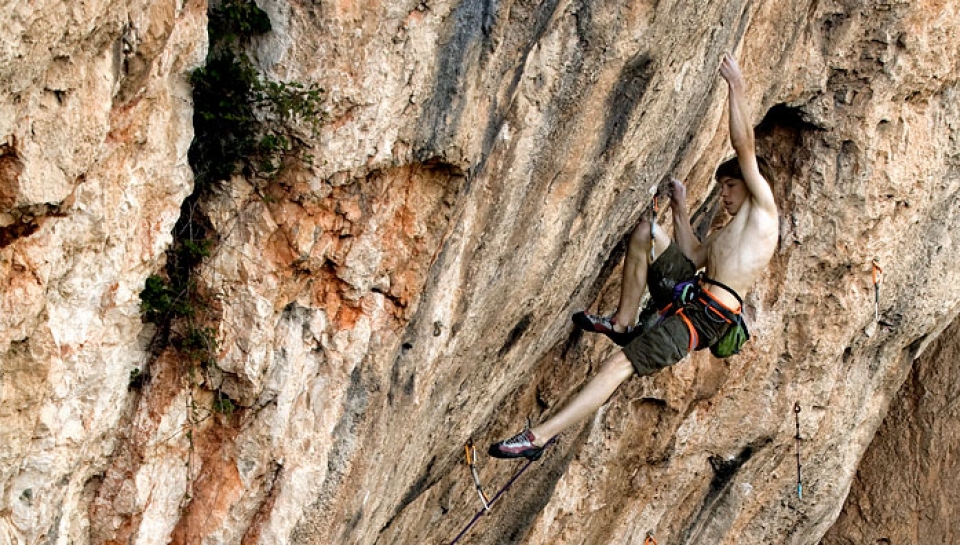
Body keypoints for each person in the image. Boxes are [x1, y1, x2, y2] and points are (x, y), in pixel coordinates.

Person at [489, 53, 779, 460]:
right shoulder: (728, 232)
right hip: (692, 294)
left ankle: (538, 437)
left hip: (702, 320)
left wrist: (737, 87)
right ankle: (623, 322)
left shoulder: (762, 212)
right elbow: (693, 254)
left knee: (617, 367)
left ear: (749, 185)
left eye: (730, 186)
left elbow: (743, 146)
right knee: (647, 232)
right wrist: (679, 205)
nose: (726, 195)